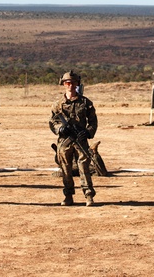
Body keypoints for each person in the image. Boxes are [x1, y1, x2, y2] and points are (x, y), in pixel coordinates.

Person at [49, 70, 98, 206]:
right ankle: (68, 196)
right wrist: (60, 128)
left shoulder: (85, 102)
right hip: (65, 141)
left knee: (84, 168)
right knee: (66, 169)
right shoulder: (58, 104)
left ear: (77, 84)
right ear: (64, 84)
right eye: (67, 83)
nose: (70, 85)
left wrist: (88, 132)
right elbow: (52, 121)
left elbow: (93, 121)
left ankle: (88, 196)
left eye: (73, 83)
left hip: (80, 140)